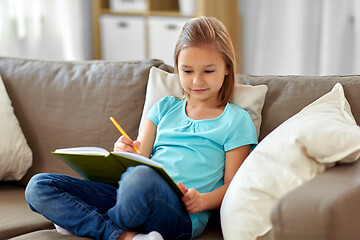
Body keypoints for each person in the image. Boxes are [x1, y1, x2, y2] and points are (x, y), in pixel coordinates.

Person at [25, 16, 258, 240]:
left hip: (179, 213)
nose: (197, 81)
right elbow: (139, 159)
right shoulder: (164, 108)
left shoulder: (236, 120)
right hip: (130, 196)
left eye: (208, 71)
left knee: (142, 178)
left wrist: (203, 201)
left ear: (227, 68)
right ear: (177, 67)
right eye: (187, 71)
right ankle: (124, 236)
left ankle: (86, 223)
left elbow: (234, 185)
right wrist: (124, 153)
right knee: (39, 186)